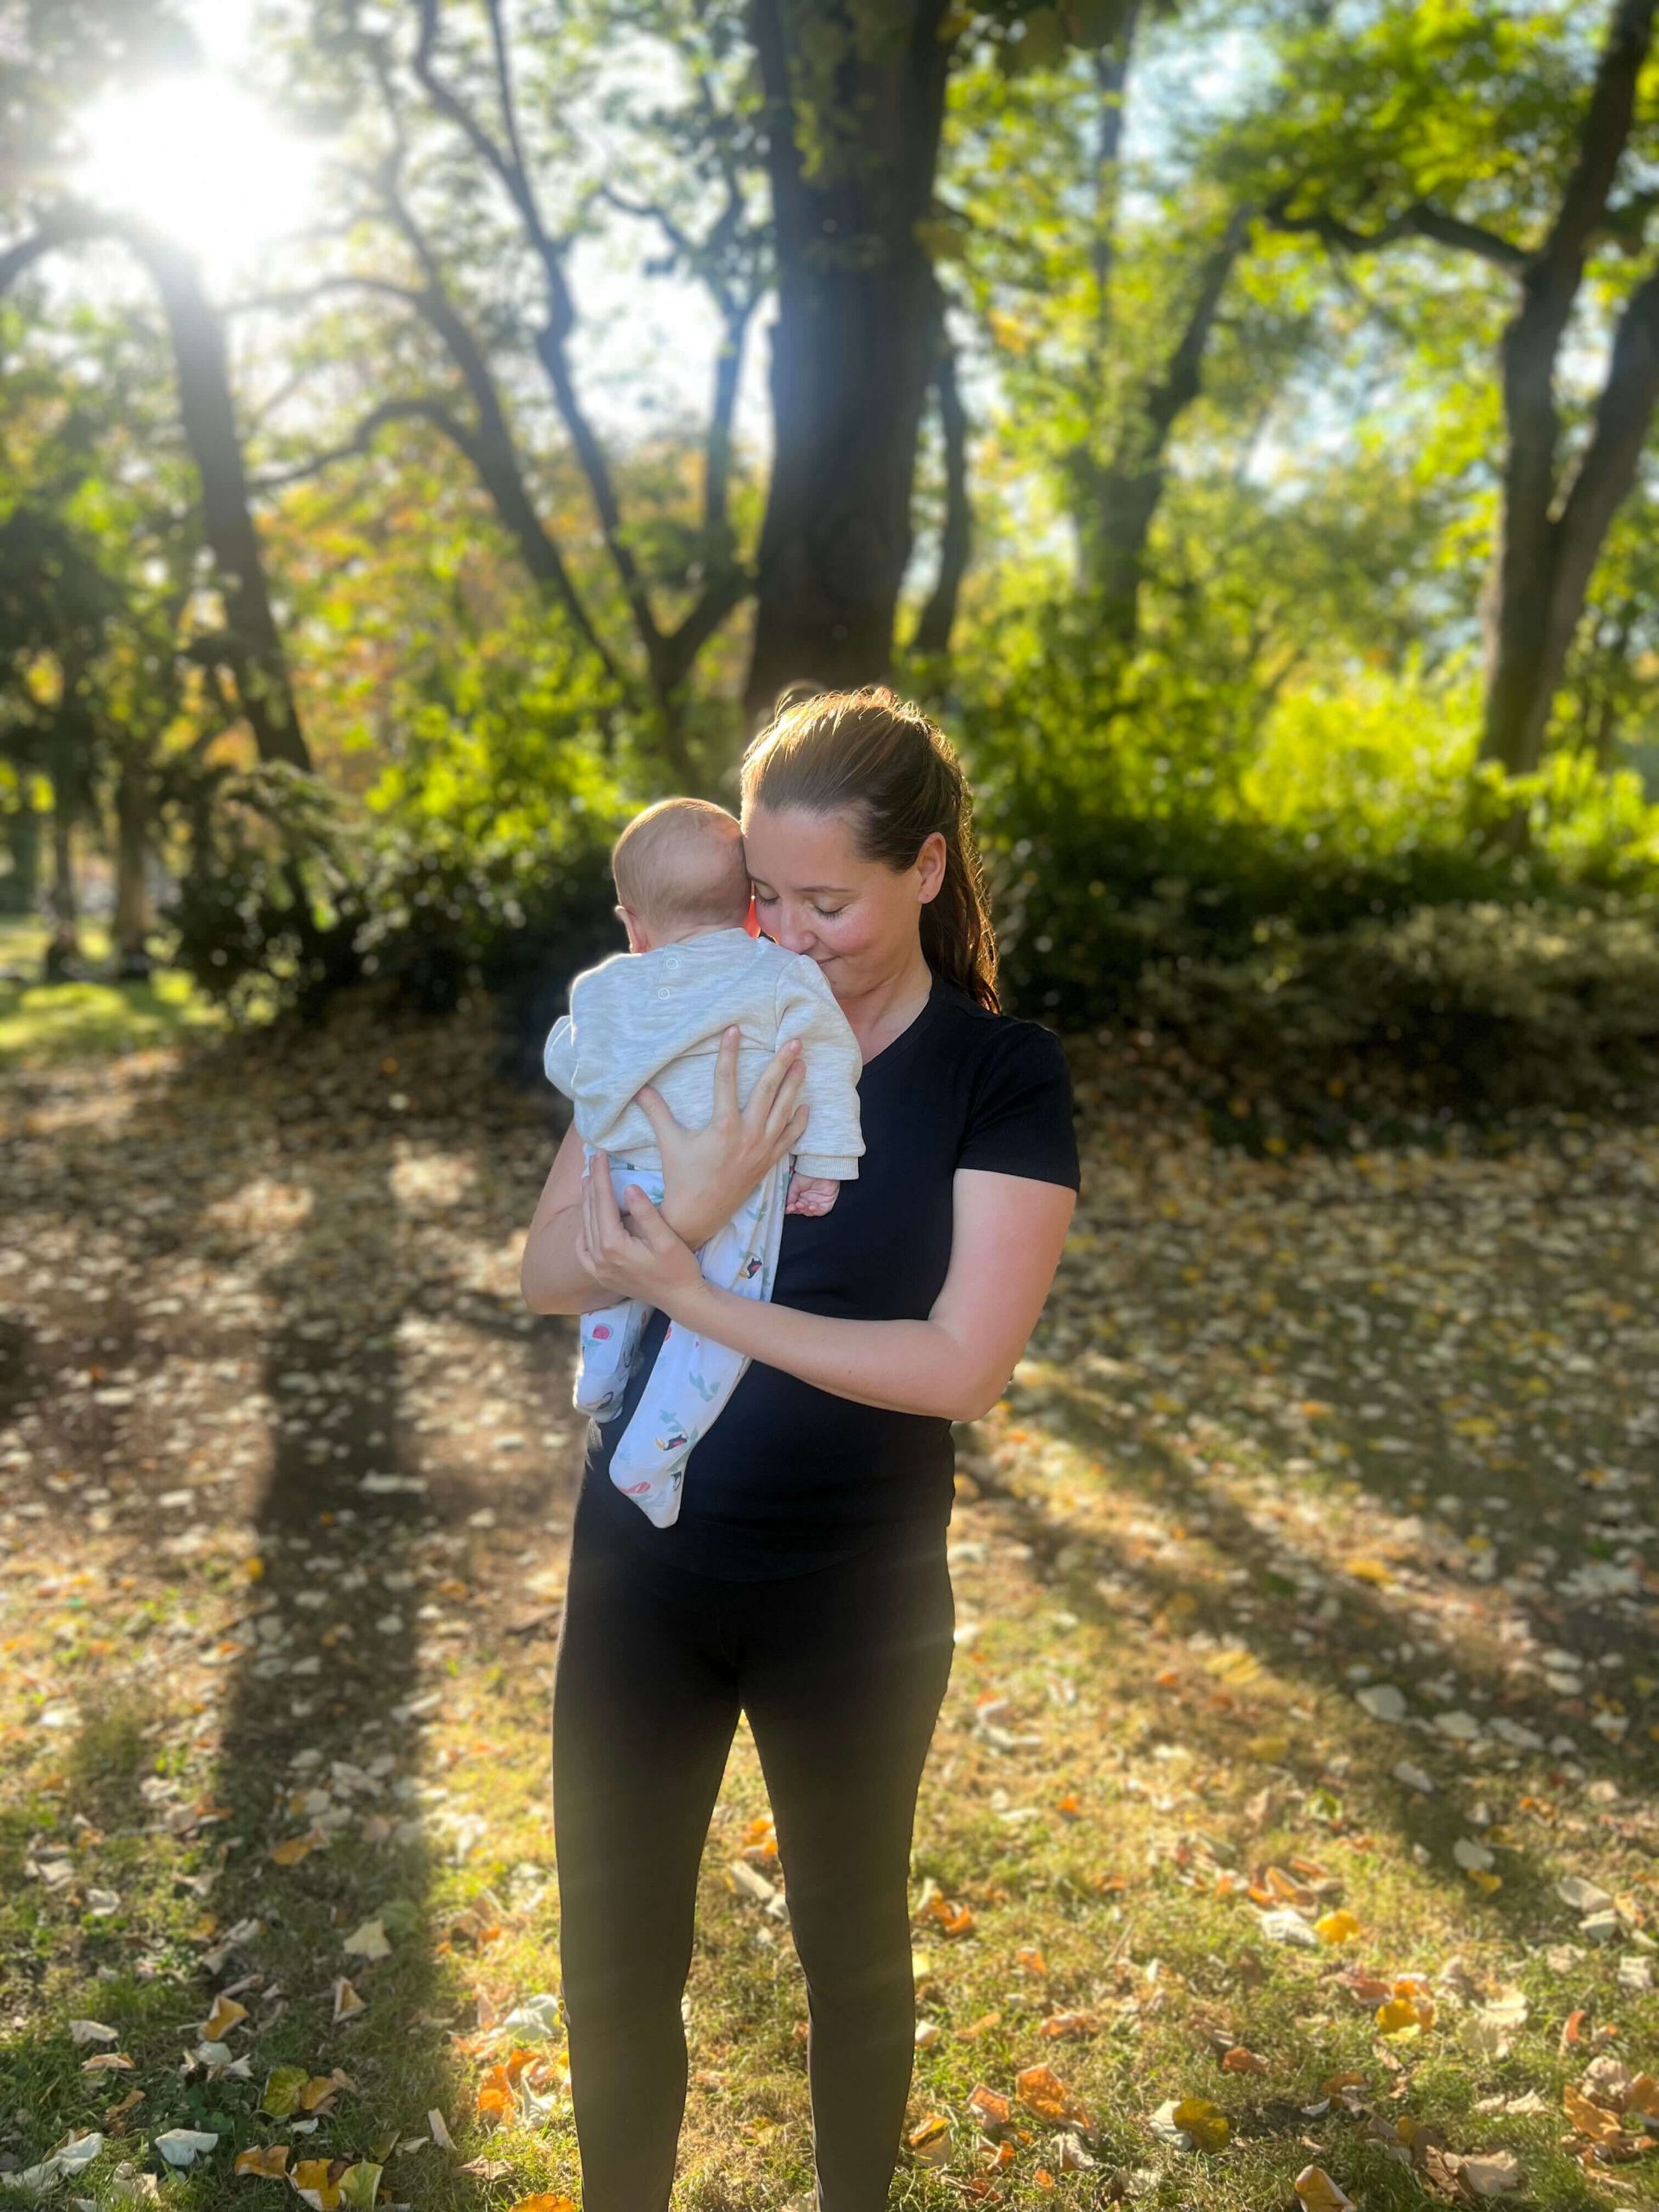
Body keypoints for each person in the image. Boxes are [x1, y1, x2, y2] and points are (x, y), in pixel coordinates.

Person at [519, 685, 1081, 2212]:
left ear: (928, 871)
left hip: (854, 1590)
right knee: (615, 1947)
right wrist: (685, 1221)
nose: (789, 932)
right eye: (768, 893)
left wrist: (698, 1296)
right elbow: (546, 1273)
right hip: (642, 1563)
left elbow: (962, 1366)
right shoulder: (693, 999)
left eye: (826, 899)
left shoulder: (997, 1074)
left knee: (852, 1947)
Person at [544, 794, 864, 1529]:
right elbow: (824, 1062)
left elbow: (568, 1059)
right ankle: (649, 1461)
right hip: (741, 1188)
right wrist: (824, 1161)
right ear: (752, 908)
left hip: (623, 1174)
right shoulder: (779, 977)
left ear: (633, 924)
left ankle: (600, 1372)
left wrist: (604, 1086)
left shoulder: (602, 988)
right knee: (718, 1324)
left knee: (618, 1257)